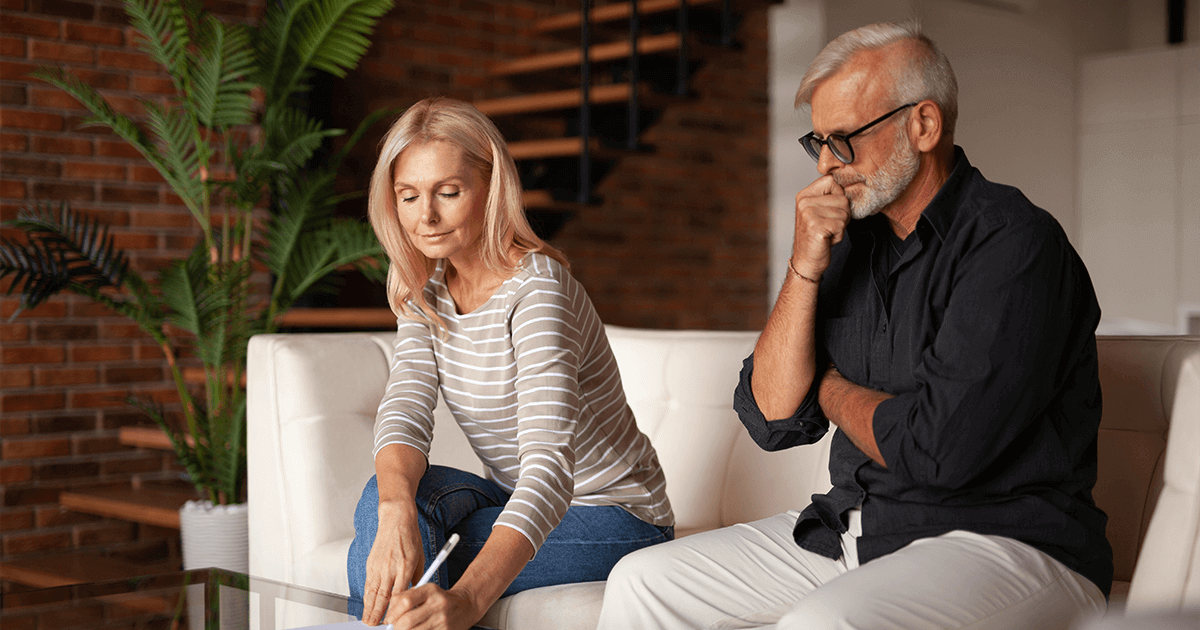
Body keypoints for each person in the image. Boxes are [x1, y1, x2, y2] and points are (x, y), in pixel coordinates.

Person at [598, 21, 1112, 630]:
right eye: (817, 140)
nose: (825, 164)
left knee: (826, 623)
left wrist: (829, 388)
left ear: (923, 125)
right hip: (858, 525)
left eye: (844, 140)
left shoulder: (1014, 244)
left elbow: (937, 453)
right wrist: (805, 266)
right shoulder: (846, 243)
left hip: (1005, 541)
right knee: (645, 581)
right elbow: (769, 416)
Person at [348, 97, 674, 630]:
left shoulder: (537, 290)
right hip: (505, 492)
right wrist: (394, 510)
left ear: (491, 187)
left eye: (448, 193)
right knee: (384, 505)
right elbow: (406, 404)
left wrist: (470, 601)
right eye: (408, 196)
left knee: (421, 562)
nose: (425, 216)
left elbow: (548, 470)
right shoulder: (423, 285)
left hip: (613, 512)